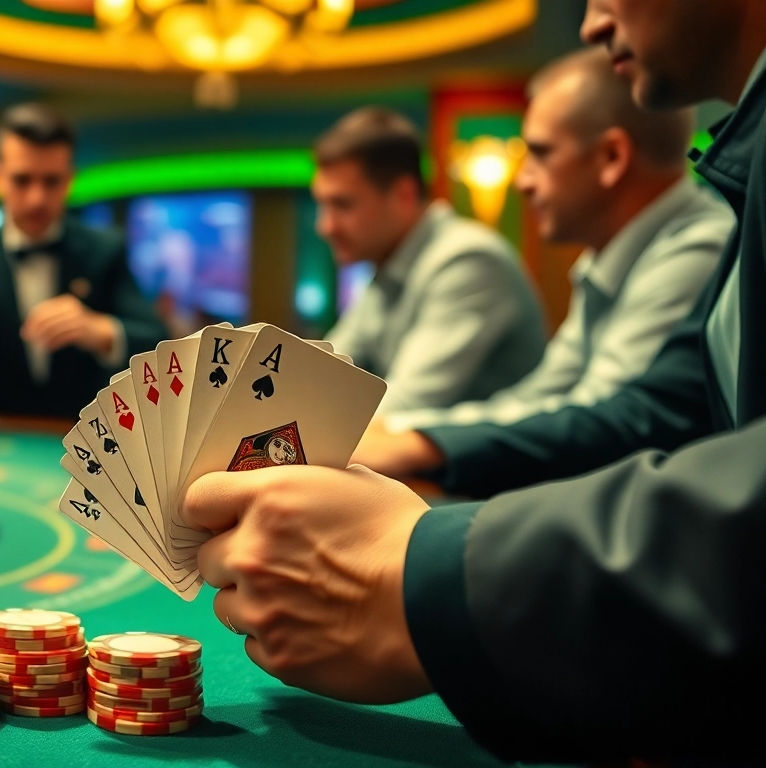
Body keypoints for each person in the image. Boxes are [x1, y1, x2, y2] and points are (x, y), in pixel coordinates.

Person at [182, 0, 766, 762]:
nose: (589, 22)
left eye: (538, 153)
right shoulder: (720, 194)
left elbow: (621, 421)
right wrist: (413, 448)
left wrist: (425, 563)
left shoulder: (477, 259)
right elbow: (635, 407)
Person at [356, 47, 732, 461]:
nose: (523, 180)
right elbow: (541, 398)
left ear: (611, 157)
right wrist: (403, 433)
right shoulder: (609, 258)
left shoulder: (697, 248)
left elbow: (602, 424)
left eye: (540, 153)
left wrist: (417, 445)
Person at [0, 104, 167, 452]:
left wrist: (101, 331)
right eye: (22, 180)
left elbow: (159, 343)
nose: (37, 198)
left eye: (52, 181)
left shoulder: (105, 250)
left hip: (94, 445)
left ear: (69, 179)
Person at [316, 108, 547, 414]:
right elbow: (320, 377)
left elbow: (402, 409)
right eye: (322, 205)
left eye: (342, 205)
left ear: (404, 194)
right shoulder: (389, 266)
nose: (325, 226)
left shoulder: (468, 261)